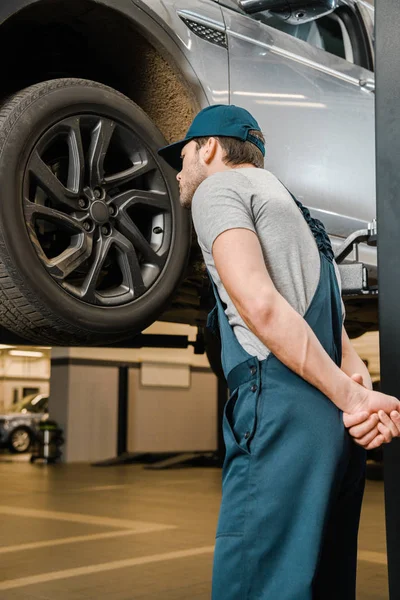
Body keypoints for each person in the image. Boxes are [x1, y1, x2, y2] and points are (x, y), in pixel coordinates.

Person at [158, 105, 400, 600]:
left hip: (281, 409)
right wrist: (359, 398)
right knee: (323, 581)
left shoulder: (218, 190)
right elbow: (343, 346)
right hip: (328, 421)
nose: (179, 172)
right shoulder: (297, 210)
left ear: (208, 148)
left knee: (259, 582)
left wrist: (354, 403)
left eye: (182, 156)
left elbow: (261, 306)